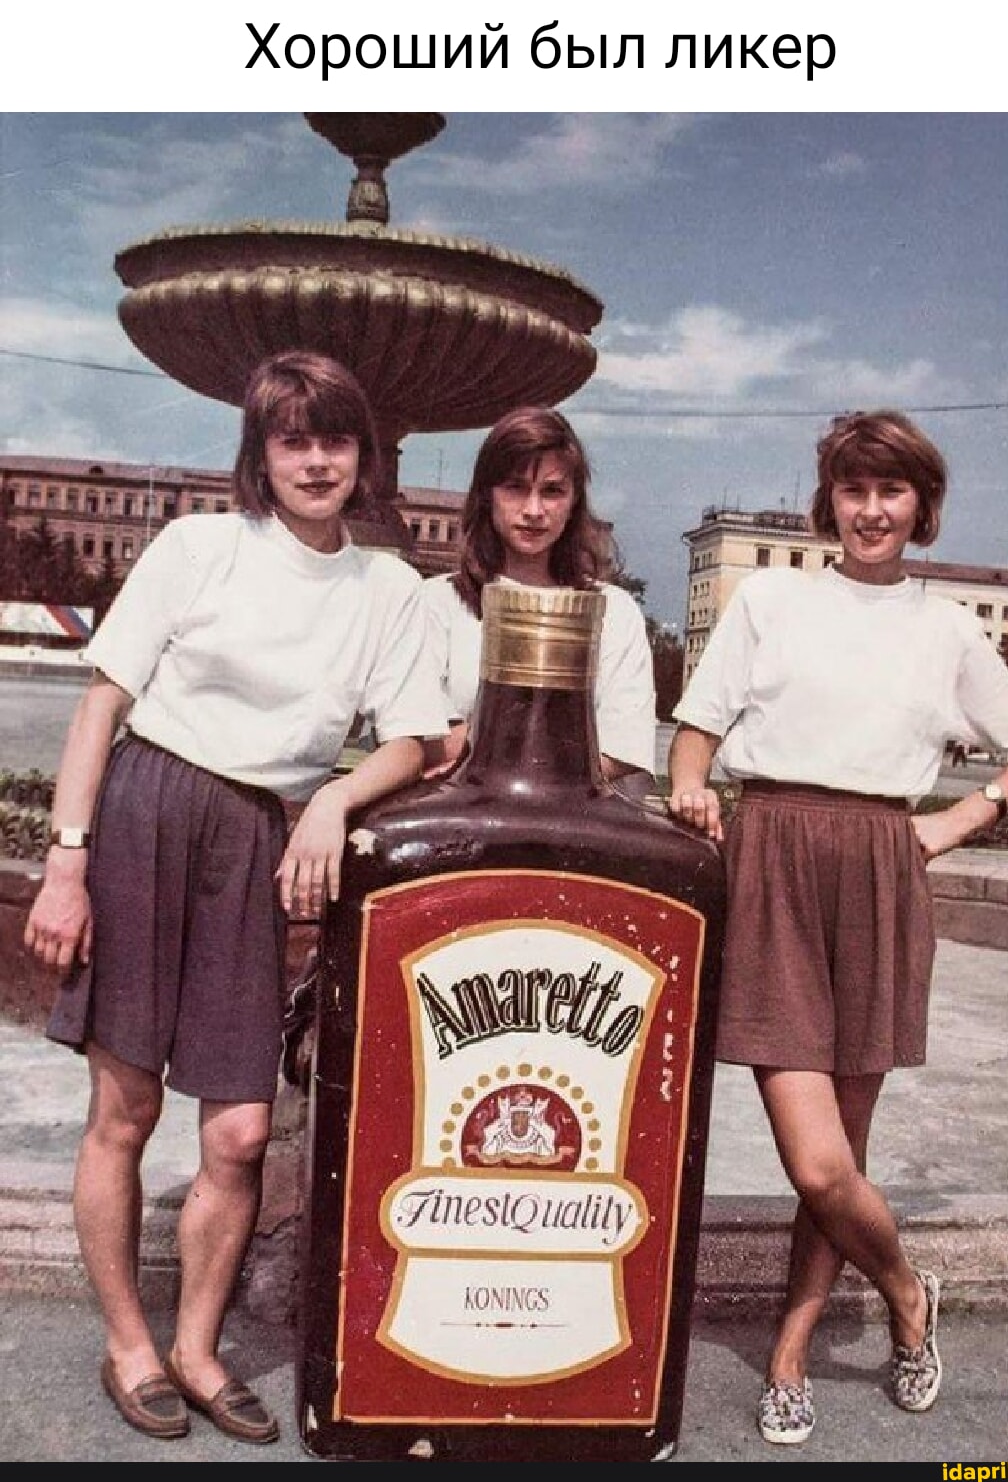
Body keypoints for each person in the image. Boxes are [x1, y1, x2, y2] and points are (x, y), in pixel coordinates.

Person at [22, 350, 448, 1446]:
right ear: (260, 454)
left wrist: (333, 799)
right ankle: (130, 1343)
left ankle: (199, 1349)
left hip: (260, 836)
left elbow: (414, 738)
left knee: (243, 1131)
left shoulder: (389, 588)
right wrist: (66, 865)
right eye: (293, 440)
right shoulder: (199, 547)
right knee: (125, 1108)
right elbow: (101, 707)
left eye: (335, 439)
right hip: (149, 810)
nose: (317, 461)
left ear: (363, 454)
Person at [667, 409, 1008, 1447]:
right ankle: (907, 1289)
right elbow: (696, 728)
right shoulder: (772, 600)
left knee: (841, 1152)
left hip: (883, 870)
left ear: (921, 506)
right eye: (855, 489)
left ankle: (790, 1354)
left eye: (892, 491)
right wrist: (691, 785)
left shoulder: (948, 628)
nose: (872, 510)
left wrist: (956, 822)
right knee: (816, 1163)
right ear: (830, 501)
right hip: (775, 858)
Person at [421, 405, 657, 791]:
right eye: (516, 488)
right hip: (461, 812)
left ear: (574, 501)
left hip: (568, 816)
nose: (534, 511)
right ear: (487, 495)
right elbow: (421, 737)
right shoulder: (437, 601)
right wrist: (558, 750)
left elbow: (623, 747)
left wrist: (482, 746)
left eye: (552, 491)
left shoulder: (613, 611)